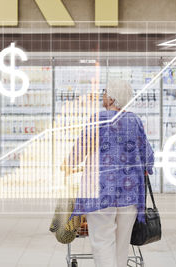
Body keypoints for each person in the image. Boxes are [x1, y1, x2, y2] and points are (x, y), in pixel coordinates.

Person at [63, 79, 154, 267]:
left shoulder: (98, 119)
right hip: (129, 194)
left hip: (100, 191)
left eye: (105, 92)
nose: (102, 96)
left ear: (112, 97)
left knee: (102, 241)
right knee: (122, 246)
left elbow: (81, 148)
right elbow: (148, 155)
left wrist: (68, 164)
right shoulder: (135, 121)